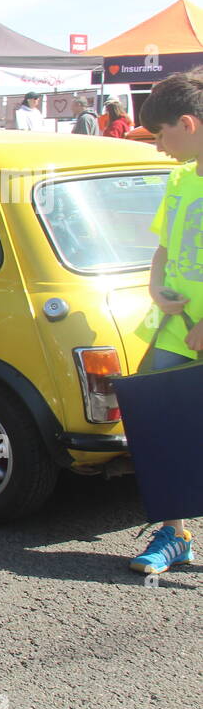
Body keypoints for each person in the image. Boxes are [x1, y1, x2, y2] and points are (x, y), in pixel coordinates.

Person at [126, 69, 203, 574]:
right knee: (163, 431)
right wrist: (155, 285)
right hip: (174, 330)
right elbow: (162, 245)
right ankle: (174, 534)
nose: (157, 148)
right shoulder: (178, 179)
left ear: (188, 123)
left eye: (160, 136)